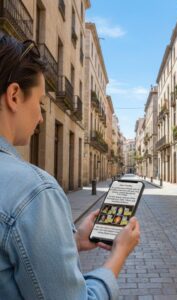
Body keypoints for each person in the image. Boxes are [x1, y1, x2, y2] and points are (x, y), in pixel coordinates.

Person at [0, 33, 140, 299]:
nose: (41, 117)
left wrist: (72, 241)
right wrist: (119, 254)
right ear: (15, 96)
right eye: (40, 103)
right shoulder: (34, 192)